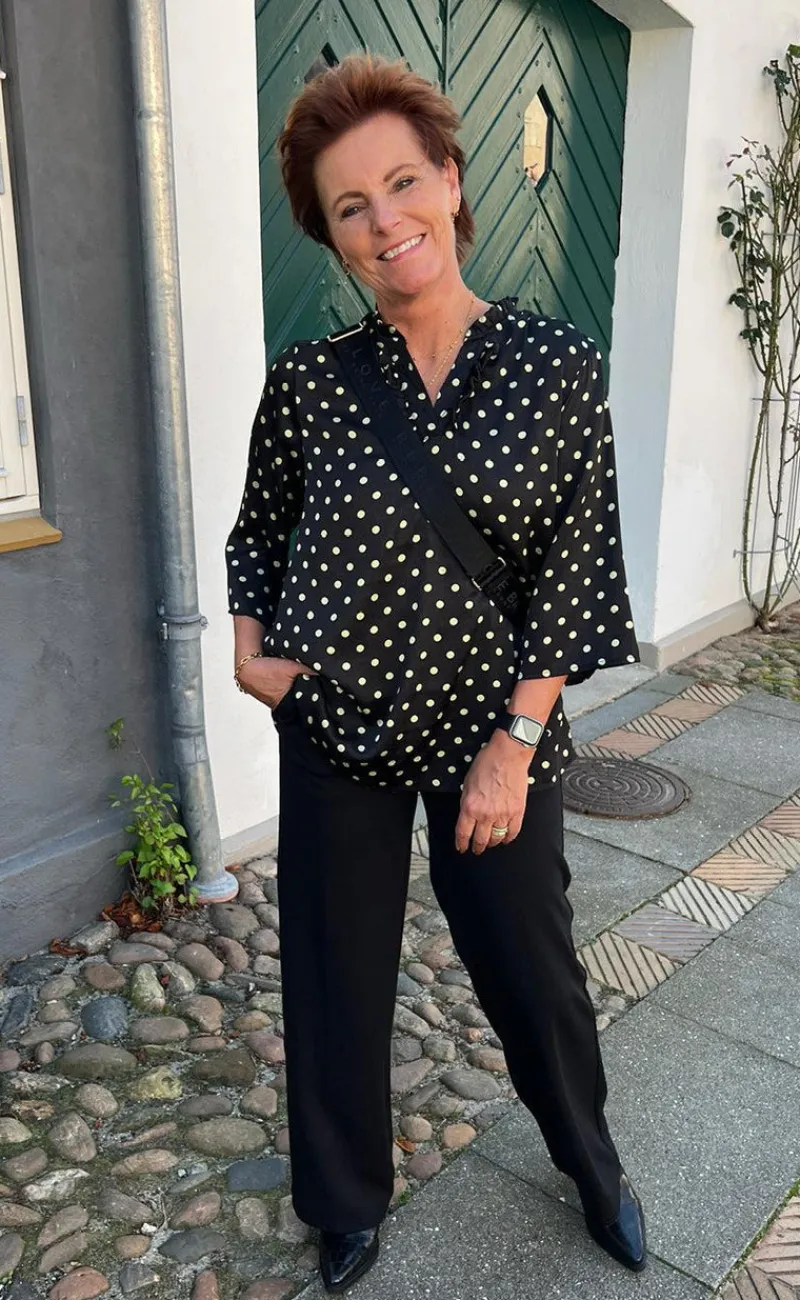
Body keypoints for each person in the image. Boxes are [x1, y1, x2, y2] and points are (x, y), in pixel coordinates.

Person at [226, 52, 645, 1295]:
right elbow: (259, 531)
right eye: (349, 205)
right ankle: (342, 1200)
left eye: (402, 182)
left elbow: (573, 568)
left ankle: (592, 1164)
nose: (384, 219)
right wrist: (254, 657)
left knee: (532, 967)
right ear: (329, 234)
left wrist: (512, 748)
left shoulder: (555, 365)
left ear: (451, 181)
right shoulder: (310, 383)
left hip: (489, 732)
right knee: (334, 971)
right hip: (337, 720)